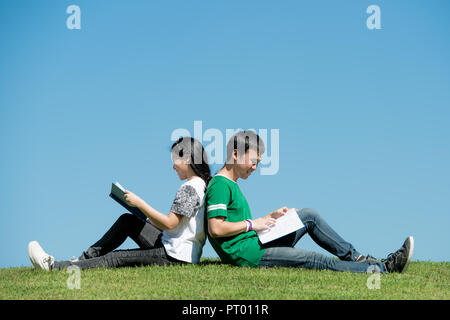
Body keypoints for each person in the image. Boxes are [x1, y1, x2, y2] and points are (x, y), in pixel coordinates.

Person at [205, 130, 414, 273]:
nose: (254, 168)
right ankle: (383, 268)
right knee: (315, 260)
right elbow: (216, 228)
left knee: (307, 216)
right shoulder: (220, 185)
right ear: (235, 154)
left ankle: (358, 259)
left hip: (256, 243)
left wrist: (269, 217)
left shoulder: (231, 185)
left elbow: (236, 223)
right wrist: (253, 223)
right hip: (250, 255)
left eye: (258, 164)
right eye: (253, 162)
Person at [28, 137, 211, 271]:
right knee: (128, 221)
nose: (173, 167)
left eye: (175, 161)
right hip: (178, 250)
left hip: (174, 256)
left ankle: (53, 267)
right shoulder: (199, 185)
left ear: (187, 159)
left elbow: (171, 223)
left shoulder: (189, 188)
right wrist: (145, 217)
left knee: (116, 258)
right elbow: (178, 226)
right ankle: (81, 260)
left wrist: (140, 203)